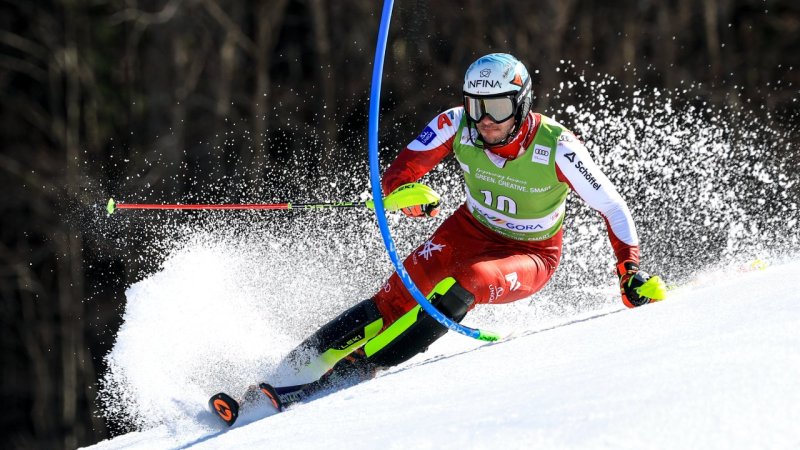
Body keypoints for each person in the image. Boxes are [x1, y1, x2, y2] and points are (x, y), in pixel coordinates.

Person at [272, 53, 664, 403]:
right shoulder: (456, 123)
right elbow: (399, 175)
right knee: (399, 292)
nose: (486, 120)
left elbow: (612, 207)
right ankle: (293, 367)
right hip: (468, 230)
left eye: (497, 107)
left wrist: (629, 271)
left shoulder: (558, 147)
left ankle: (361, 364)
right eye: (476, 105)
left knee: (470, 280)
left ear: (522, 103)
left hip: (529, 253)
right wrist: (408, 195)